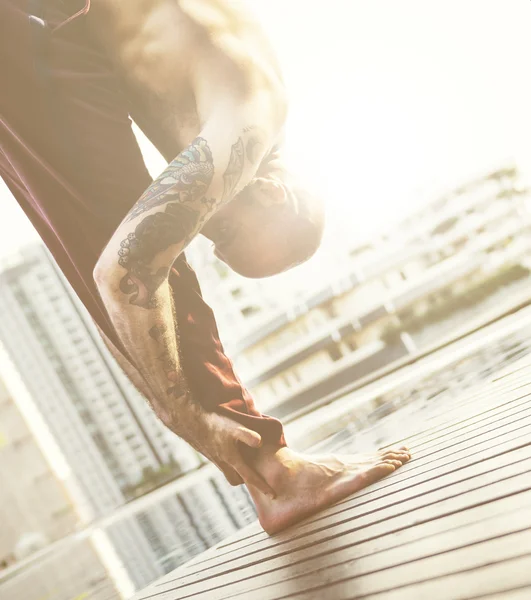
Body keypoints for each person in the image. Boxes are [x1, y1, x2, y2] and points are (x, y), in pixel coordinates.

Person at [0, 0, 410, 535]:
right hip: (42, 23)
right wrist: (187, 416)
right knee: (146, 256)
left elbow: (107, 287)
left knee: (137, 252)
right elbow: (123, 275)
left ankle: (270, 473)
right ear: (268, 191)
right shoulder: (248, 120)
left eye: (219, 244)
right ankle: (275, 476)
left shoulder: (215, 85)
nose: (208, 233)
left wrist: (185, 415)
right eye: (230, 233)